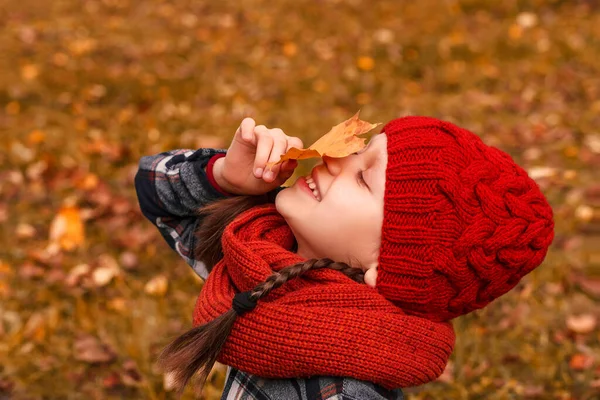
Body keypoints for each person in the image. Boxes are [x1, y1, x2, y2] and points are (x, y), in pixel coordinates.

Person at [135, 116, 554, 399]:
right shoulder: (261, 256)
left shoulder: (346, 388)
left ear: (385, 266)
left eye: (362, 178)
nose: (333, 159)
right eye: (357, 151)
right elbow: (158, 195)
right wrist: (225, 177)